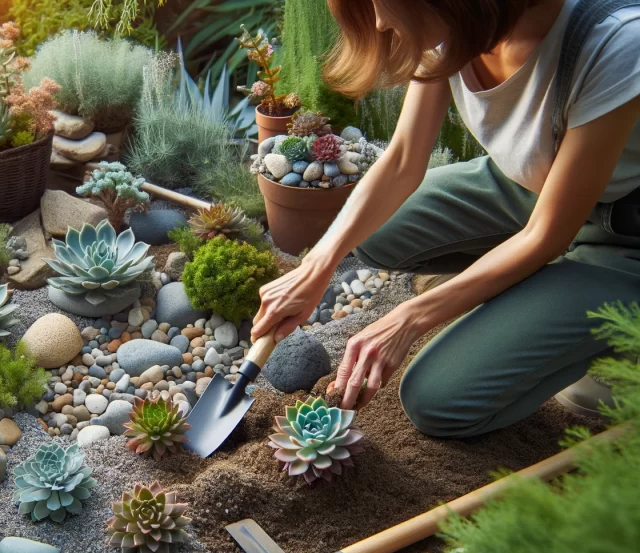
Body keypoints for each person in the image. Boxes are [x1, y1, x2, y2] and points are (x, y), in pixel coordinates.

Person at [251, 0, 640, 438]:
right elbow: (401, 161)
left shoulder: (615, 42)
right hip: (533, 190)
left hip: (620, 237)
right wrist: (317, 264)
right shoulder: (455, 28)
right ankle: (533, 293)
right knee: (375, 232)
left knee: (437, 401)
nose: (379, 21)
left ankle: (606, 335)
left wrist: (410, 317)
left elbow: (547, 235)